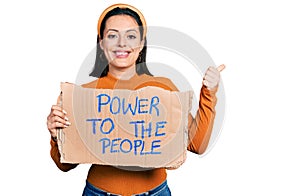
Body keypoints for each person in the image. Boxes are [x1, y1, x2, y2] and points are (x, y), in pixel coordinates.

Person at [47, 3, 225, 196]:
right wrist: (57, 136)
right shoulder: (85, 97)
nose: (122, 43)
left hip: (155, 192)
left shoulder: (163, 89)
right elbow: (65, 166)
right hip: (98, 192)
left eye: (131, 36)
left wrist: (209, 93)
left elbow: (197, 145)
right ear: (101, 43)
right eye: (112, 35)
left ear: (141, 44)